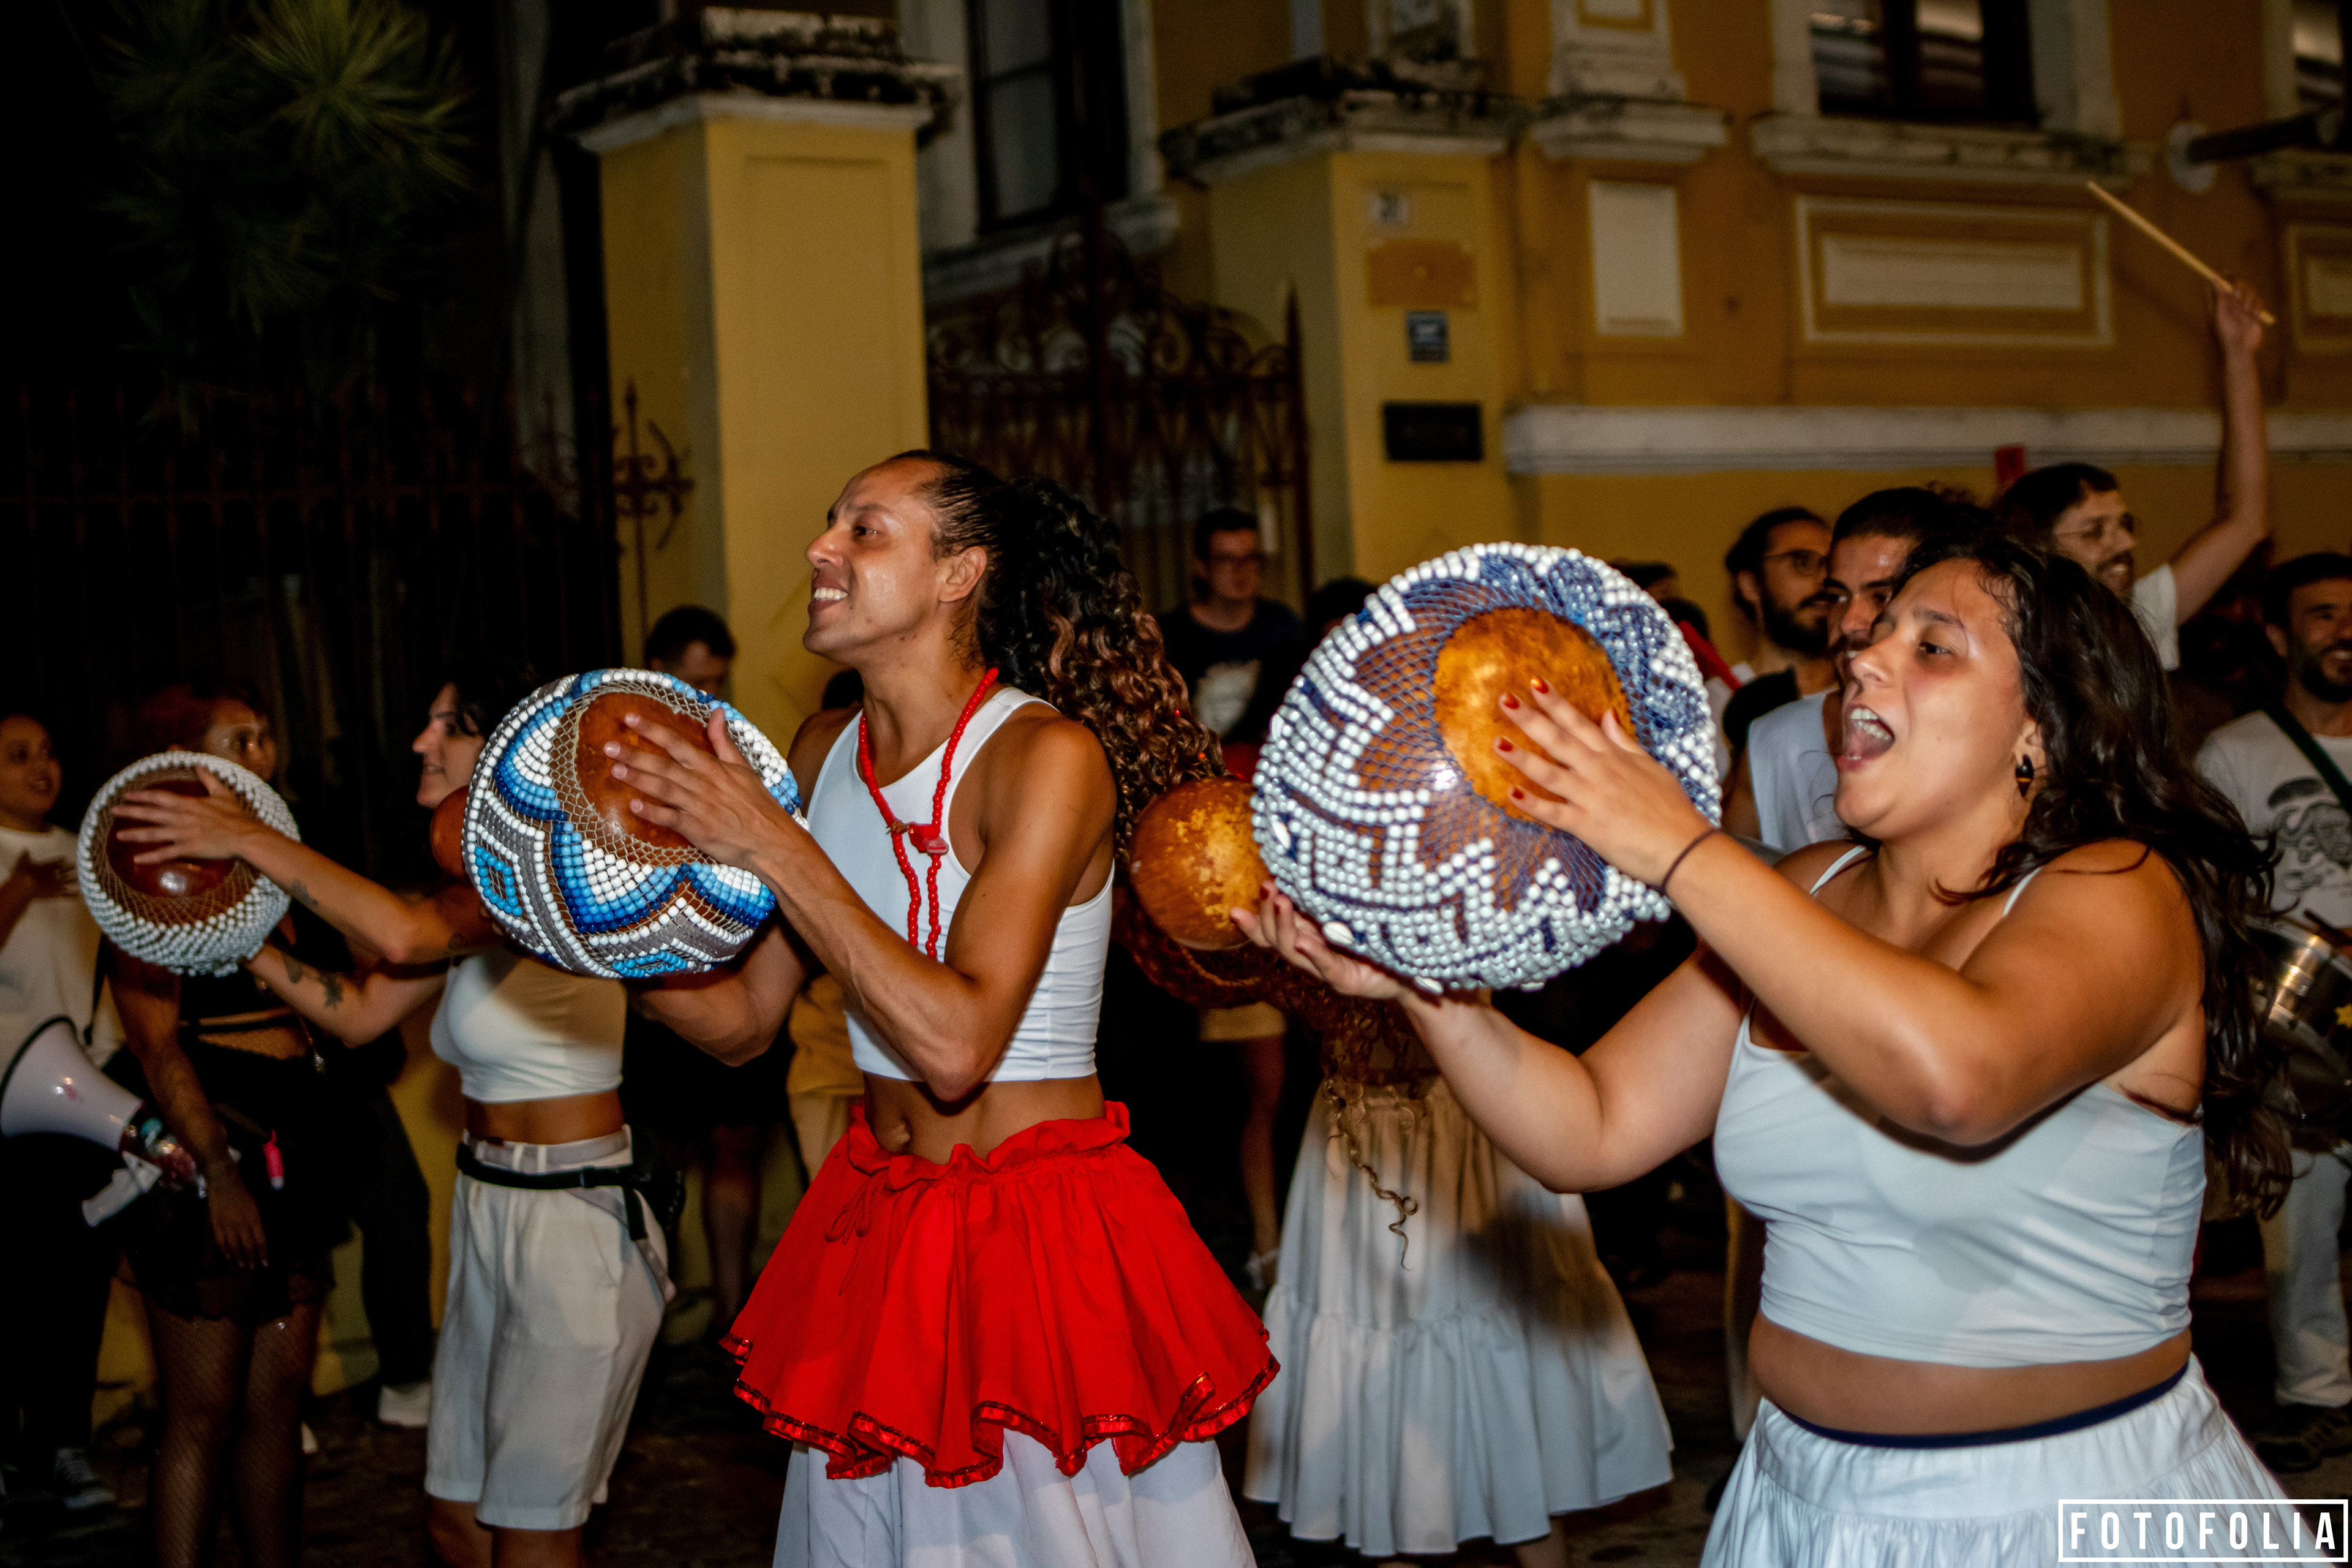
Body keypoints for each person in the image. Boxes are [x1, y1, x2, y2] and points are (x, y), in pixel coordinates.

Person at [1242, 533, 2293, 1559]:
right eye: (1871, 634)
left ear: (2041, 730)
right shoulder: (1806, 889)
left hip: (2065, 1504)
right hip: (1801, 1501)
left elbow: (1958, 1083)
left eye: (1932, 646)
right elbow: (1591, 1127)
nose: (1861, 656)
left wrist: (1681, 848)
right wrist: (1429, 994)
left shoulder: (2121, 890)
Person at [620, 451, 1273, 1567]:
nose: (822, 550)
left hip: (1036, 1239)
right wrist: (597, 931)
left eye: (865, 531)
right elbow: (741, 1021)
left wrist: (770, 843)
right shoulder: (822, 751)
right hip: (883, 1224)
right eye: (830, 524)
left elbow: (958, 1044)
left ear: (960, 573)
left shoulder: (1046, 756)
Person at [116, 666, 654, 1568]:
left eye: (447, 724)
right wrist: (223, 924)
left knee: (532, 1536)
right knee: (457, 1524)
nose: (419, 741)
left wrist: (246, 837)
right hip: (490, 1206)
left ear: (507, 748)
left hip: (573, 1218)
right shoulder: (472, 887)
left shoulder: (551, 869)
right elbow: (358, 1012)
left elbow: (399, 935)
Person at [101, 683, 357, 1568]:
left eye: (265, 736)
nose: (260, 755)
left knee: (278, 1401)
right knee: (202, 1410)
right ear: (184, 763)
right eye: (237, 740)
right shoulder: (146, 874)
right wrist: (217, 1170)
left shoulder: (276, 855)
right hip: (211, 1139)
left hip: (292, 1132)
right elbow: (154, 1043)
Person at [2196, 551, 2352, 1473]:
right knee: (2302, 1210)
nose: (2344, 631)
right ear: (2278, 632)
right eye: (2323, 614)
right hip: (2299, 1019)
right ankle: (2317, 1392)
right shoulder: (2236, 754)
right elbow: (2209, 894)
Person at [625, 603, 791, 1332]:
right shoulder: (617, 757)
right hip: (660, 986)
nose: (710, 697)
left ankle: (732, 1318)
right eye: (697, 682)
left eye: (719, 682)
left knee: (736, 1146)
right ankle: (650, 1326)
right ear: (657, 673)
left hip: (740, 973)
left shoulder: (742, 755)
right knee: (659, 1154)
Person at [1997, 278, 2270, 672]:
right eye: (2094, 532)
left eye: (2125, 525)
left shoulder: (2137, 619)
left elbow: (2244, 520)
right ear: (2034, 550)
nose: (2126, 543)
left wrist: (2239, 354)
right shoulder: (2007, 640)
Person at [0, 709, 126, 1520]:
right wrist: (18, 888)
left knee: (75, 1281)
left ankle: (63, 1444)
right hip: (5, 1104)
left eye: (47, 753)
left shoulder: (84, 851)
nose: (41, 768)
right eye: (18, 757)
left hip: (83, 1095)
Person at [1726, 489, 1986, 854]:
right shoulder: (1774, 743)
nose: (1849, 622)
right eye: (1836, 597)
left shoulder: (1982, 742)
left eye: (1881, 597)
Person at [1156, 506, 1301, 738]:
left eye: (1249, 558)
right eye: (1226, 559)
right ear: (1202, 567)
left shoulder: (1283, 627)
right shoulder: (1170, 636)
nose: (1239, 570)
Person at [1716, 507, 1837, 758]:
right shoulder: (1710, 704)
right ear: (1751, 585)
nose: (1824, 580)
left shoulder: (1863, 695)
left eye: (1831, 565)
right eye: (1803, 562)